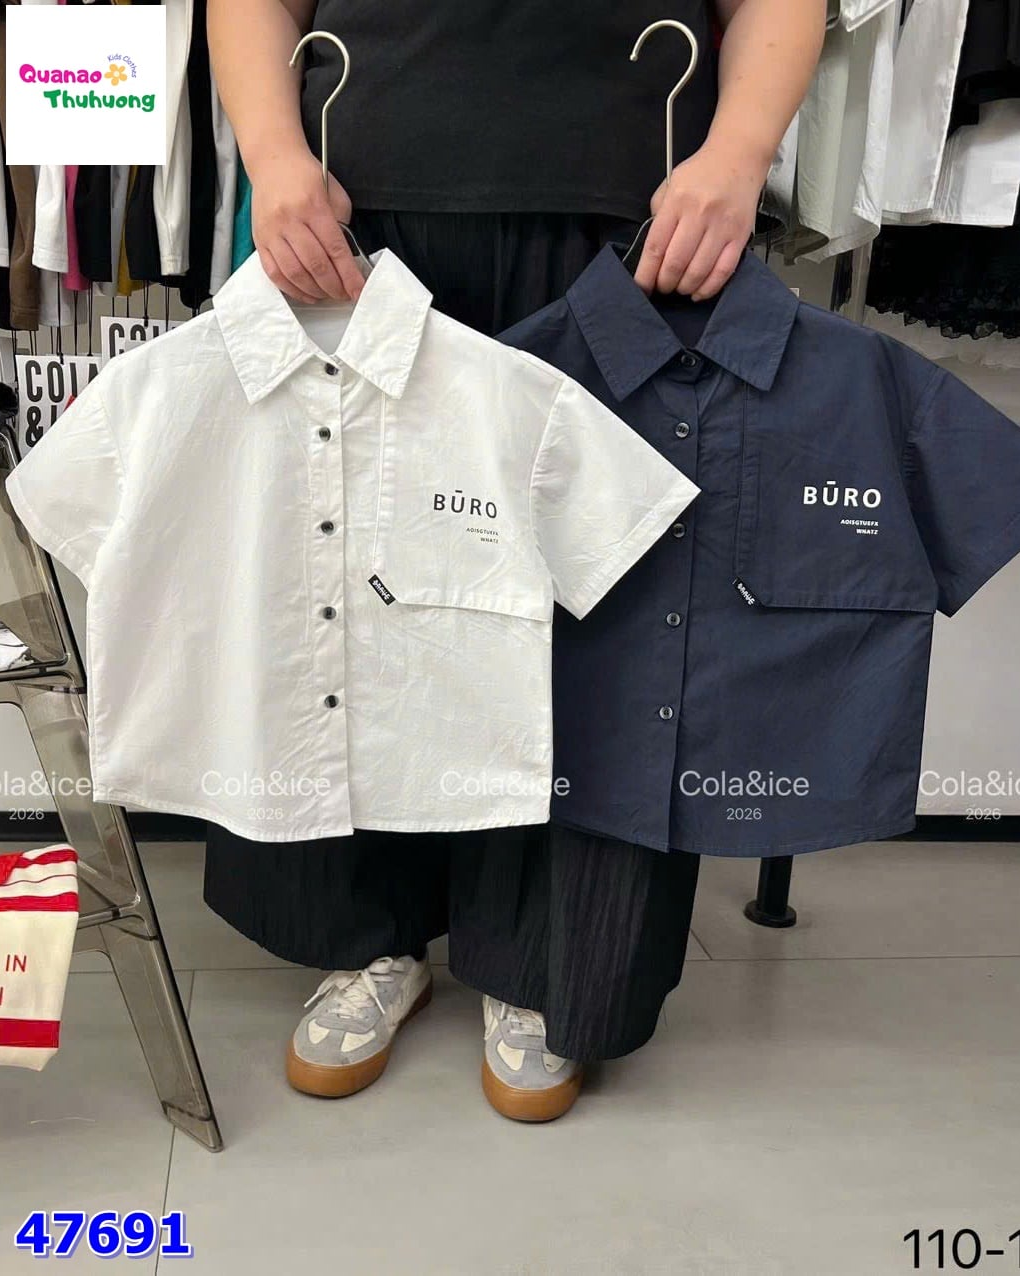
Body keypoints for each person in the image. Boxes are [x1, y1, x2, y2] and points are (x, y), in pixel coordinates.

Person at [204, 0, 825, 1122]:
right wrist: (273, 154)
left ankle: (546, 956)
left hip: (627, 213)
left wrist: (738, 155)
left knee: (598, 596)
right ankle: (368, 933)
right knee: (347, 577)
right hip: (358, 204)